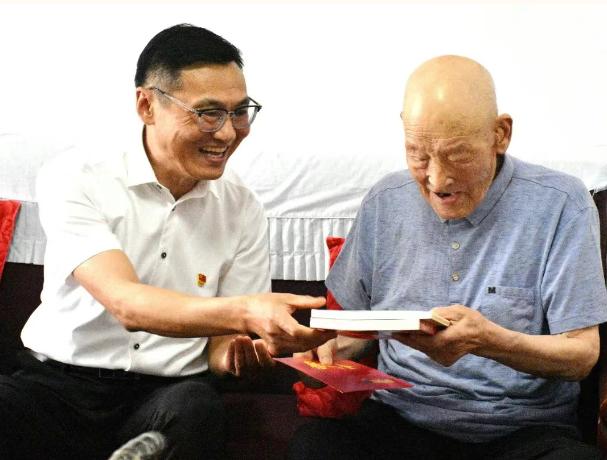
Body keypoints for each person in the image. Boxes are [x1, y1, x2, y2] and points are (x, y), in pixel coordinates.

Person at [0, 24, 334, 460]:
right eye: (208, 113)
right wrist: (247, 311)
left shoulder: (241, 207)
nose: (228, 133)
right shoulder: (76, 176)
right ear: (147, 105)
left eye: (239, 112)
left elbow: (221, 346)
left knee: (195, 407)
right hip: (57, 388)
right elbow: (126, 303)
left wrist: (239, 354)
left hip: (163, 395)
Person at [288, 55, 607, 460]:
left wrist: (489, 341)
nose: (437, 180)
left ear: (500, 134)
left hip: (520, 429)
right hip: (402, 419)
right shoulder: (385, 202)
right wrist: (328, 354)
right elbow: (356, 334)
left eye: (457, 155)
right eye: (418, 155)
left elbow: (581, 356)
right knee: (314, 447)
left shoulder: (562, 204)